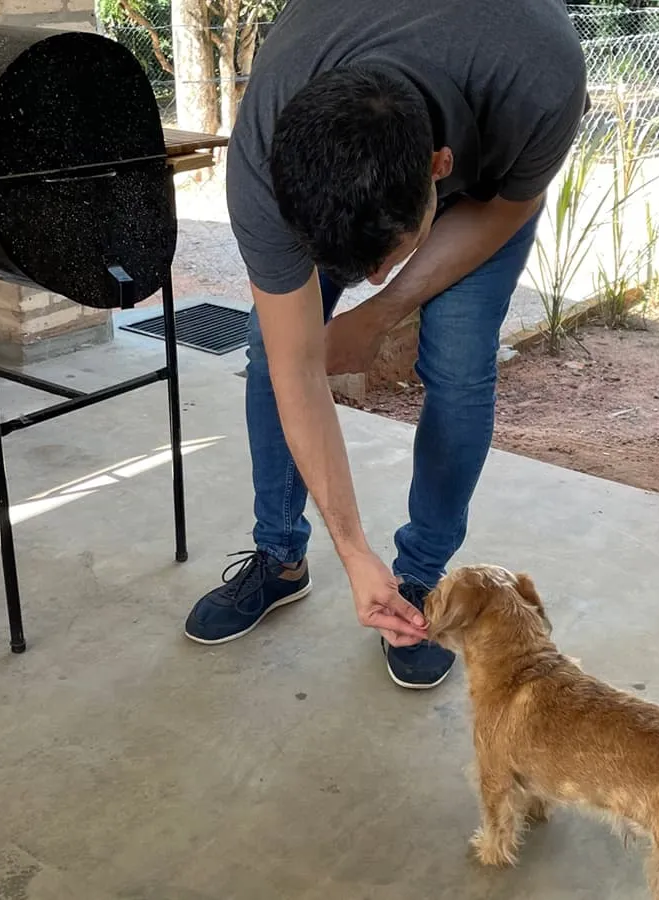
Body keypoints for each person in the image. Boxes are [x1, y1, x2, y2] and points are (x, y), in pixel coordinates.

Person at [184, 0, 589, 690]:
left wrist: (385, 309)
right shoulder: (261, 159)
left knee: (459, 370)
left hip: (486, 194)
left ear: (439, 167)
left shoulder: (539, 76)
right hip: (349, 160)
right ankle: (281, 558)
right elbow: (297, 367)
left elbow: (510, 205)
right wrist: (352, 551)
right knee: (272, 348)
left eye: (384, 258)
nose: (369, 277)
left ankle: (419, 584)